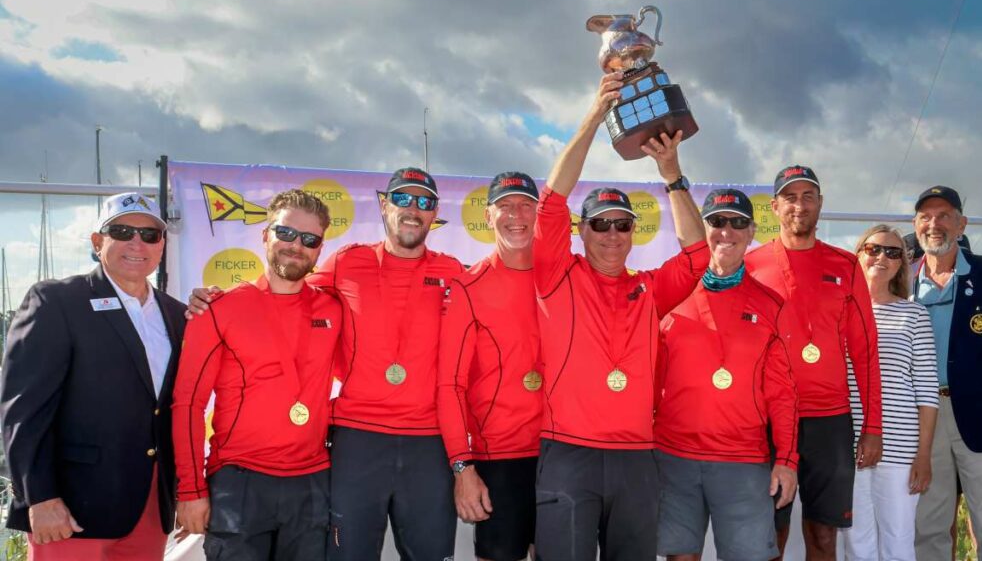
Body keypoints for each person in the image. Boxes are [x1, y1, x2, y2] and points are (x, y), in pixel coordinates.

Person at [190, 168, 463, 560]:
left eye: (424, 202)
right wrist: (219, 297)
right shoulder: (347, 261)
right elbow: (286, 287)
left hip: (428, 442)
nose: (413, 209)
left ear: (434, 212)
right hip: (357, 439)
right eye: (403, 198)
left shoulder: (453, 271)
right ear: (384, 205)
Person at [531, 71, 708, 561]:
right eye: (601, 224)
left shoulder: (649, 288)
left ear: (634, 232)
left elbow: (697, 255)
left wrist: (672, 173)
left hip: (636, 457)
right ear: (582, 232)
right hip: (568, 453)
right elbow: (551, 200)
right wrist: (593, 116)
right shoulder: (556, 273)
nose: (612, 233)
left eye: (623, 224)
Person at [0, 192, 185, 560]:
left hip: (150, 508)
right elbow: (21, 409)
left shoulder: (177, 314)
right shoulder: (56, 301)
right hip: (70, 510)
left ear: (162, 246)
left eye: (150, 235)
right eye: (122, 231)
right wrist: (39, 496)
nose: (137, 243)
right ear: (98, 242)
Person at [173, 190, 343, 560]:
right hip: (240, 482)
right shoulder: (218, 309)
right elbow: (188, 404)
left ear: (319, 249)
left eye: (309, 239)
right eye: (285, 233)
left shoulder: (335, 308)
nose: (296, 246)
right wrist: (190, 490)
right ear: (266, 235)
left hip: (312, 482)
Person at [745, 165, 883, 561]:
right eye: (790, 197)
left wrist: (872, 427)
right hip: (769, 420)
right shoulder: (751, 265)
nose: (799, 205)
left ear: (821, 204)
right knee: (770, 537)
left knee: (823, 537)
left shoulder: (845, 265)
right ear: (774, 207)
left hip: (830, 421)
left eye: (808, 196)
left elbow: (864, 349)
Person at [654, 189, 799, 561]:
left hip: (742, 460)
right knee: (679, 557)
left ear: (752, 232)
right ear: (703, 229)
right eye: (717, 222)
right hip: (674, 457)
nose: (727, 231)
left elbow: (783, 393)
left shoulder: (771, 305)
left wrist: (786, 459)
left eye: (738, 223)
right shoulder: (672, 295)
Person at [911, 185, 982, 560]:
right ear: (916, 225)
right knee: (926, 527)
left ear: (962, 224)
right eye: (926, 217)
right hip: (923, 424)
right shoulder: (903, 283)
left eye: (944, 215)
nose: (934, 224)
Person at [436, 172, 543, 561]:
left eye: (526, 204)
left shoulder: (567, 277)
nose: (516, 214)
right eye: (505, 205)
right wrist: (462, 467)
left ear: (540, 213)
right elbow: (449, 386)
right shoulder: (468, 286)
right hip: (501, 458)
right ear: (487, 215)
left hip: (563, 454)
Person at [841, 224, 939, 561]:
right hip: (847, 444)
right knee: (855, 541)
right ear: (858, 254)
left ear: (901, 264)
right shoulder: (837, 311)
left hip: (900, 449)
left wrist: (923, 455)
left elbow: (927, 392)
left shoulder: (915, 314)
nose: (882, 256)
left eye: (893, 252)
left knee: (898, 540)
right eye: (874, 249)